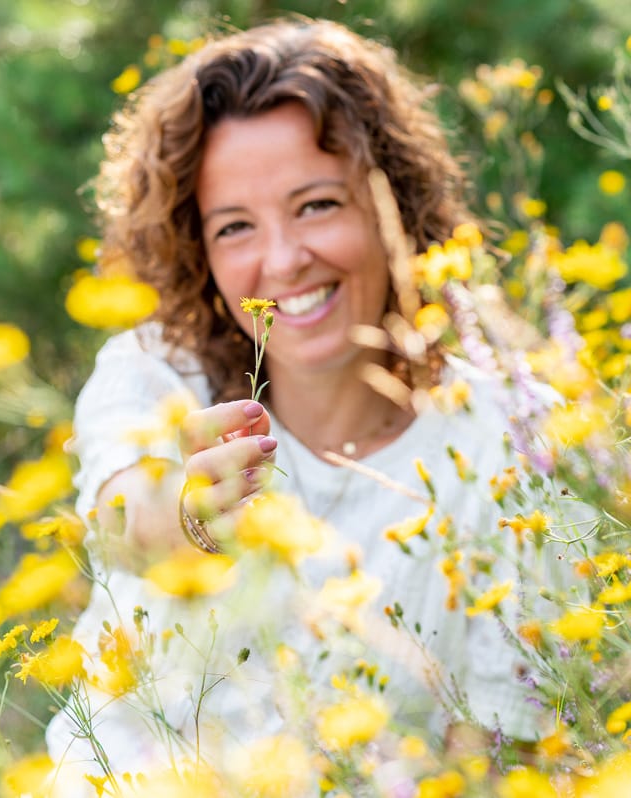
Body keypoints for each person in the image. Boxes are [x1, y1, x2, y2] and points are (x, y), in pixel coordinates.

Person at [46, 18, 572, 794]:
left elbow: (503, 754)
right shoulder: (157, 372)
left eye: (317, 205)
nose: (284, 259)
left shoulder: (512, 439)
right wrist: (191, 513)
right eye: (235, 227)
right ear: (199, 250)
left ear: (391, 203)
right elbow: (124, 516)